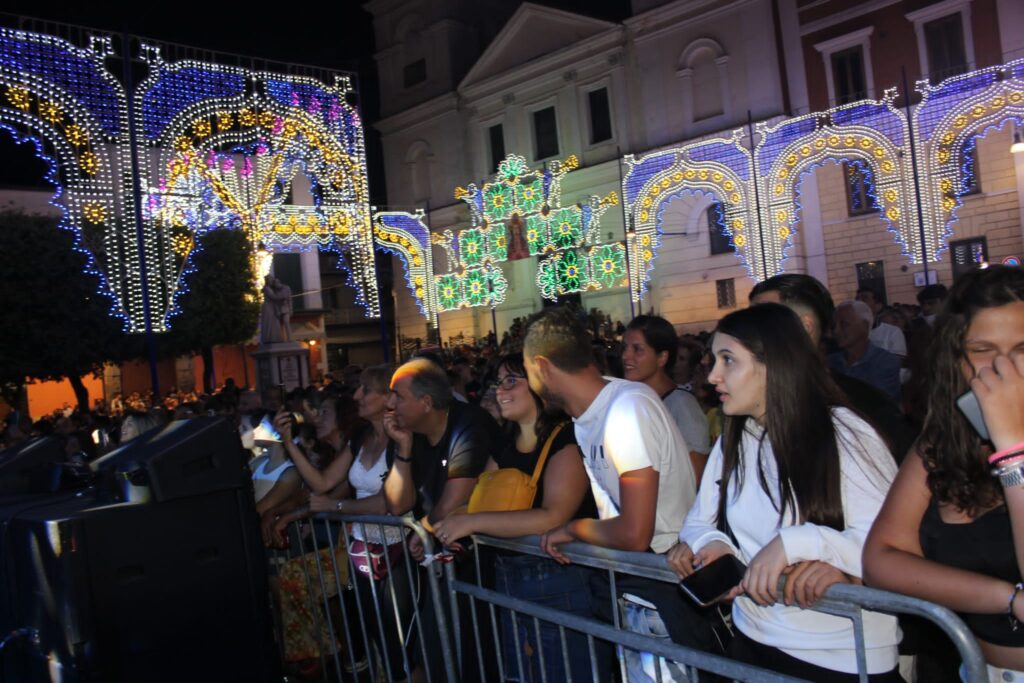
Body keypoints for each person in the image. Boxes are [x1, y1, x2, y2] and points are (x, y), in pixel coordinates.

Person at [668, 303, 900, 680]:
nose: (712, 376)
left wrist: (796, 543)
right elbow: (697, 522)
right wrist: (714, 545)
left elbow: (892, 549)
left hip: (841, 655)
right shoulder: (736, 437)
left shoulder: (844, 434)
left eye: (729, 360)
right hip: (752, 638)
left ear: (774, 364)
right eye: (714, 360)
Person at [523, 307, 711, 681]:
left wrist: (573, 529)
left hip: (662, 592)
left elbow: (634, 533)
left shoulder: (626, 411)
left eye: (526, 370)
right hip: (639, 588)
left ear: (542, 367)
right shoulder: (590, 415)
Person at [864, 265, 1024, 680]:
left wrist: (1013, 450)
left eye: (1022, 348)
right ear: (958, 359)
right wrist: (1007, 598)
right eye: (983, 349)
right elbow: (881, 560)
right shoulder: (942, 441)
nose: (1003, 365)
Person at [433, 353, 597, 683]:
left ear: (539, 386)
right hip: (509, 580)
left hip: (557, 582)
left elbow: (553, 516)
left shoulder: (565, 439)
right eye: (498, 383)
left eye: (511, 381)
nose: (500, 391)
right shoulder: (505, 444)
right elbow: (481, 501)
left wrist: (470, 523)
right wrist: (445, 525)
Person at [750, 273, 915, 462]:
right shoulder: (752, 402)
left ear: (805, 326)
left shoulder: (866, 407)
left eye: (763, 320)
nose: (749, 331)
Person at [623, 315, 711, 481]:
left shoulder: (682, 405)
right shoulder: (633, 402)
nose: (626, 356)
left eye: (637, 349)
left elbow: (695, 474)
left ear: (662, 357)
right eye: (625, 348)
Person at [830, 300, 902, 400]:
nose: (836, 331)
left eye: (844, 324)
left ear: (864, 326)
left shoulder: (885, 362)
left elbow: (880, 403)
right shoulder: (830, 362)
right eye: (834, 325)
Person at [858, 287, 907, 357]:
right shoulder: (849, 333)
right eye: (857, 298)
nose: (859, 301)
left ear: (878, 306)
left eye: (864, 298)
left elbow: (896, 361)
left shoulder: (893, 332)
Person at [261, 275, 293, 343]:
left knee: (281, 323)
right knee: (272, 323)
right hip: (270, 307)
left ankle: (286, 339)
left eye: (273, 281)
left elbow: (289, 300)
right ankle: (273, 338)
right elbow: (274, 297)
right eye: (272, 281)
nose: (273, 283)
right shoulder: (268, 288)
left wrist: (290, 309)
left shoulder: (284, 288)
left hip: (276, 308)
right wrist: (283, 296)